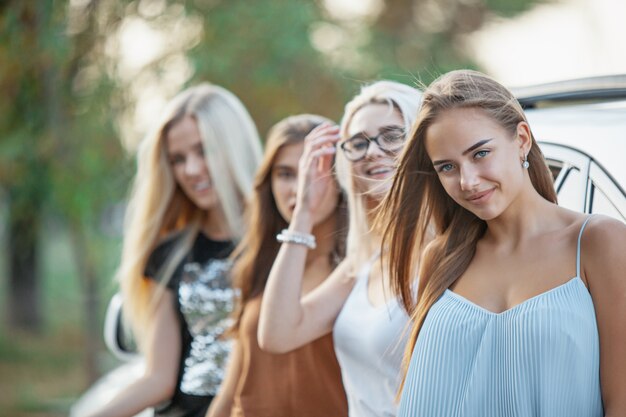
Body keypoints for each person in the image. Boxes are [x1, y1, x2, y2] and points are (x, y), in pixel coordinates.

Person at [379, 69, 626, 417]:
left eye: (480, 154)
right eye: (447, 167)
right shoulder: (441, 258)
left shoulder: (599, 243)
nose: (467, 181)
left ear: (521, 139)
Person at [85, 83, 263, 417]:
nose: (191, 170)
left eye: (203, 150)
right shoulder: (169, 255)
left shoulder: (285, 243)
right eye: (178, 159)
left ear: (232, 147)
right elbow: (159, 379)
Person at [258, 81, 423, 417]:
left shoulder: (459, 254)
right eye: (358, 143)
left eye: (392, 135)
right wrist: (303, 211)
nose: (373, 151)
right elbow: (277, 334)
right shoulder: (364, 261)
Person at [206, 114, 348, 417]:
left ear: (341, 178)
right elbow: (233, 387)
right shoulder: (262, 263)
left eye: (314, 171)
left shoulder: (355, 270)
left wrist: (303, 220)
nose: (300, 187)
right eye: (285, 174)